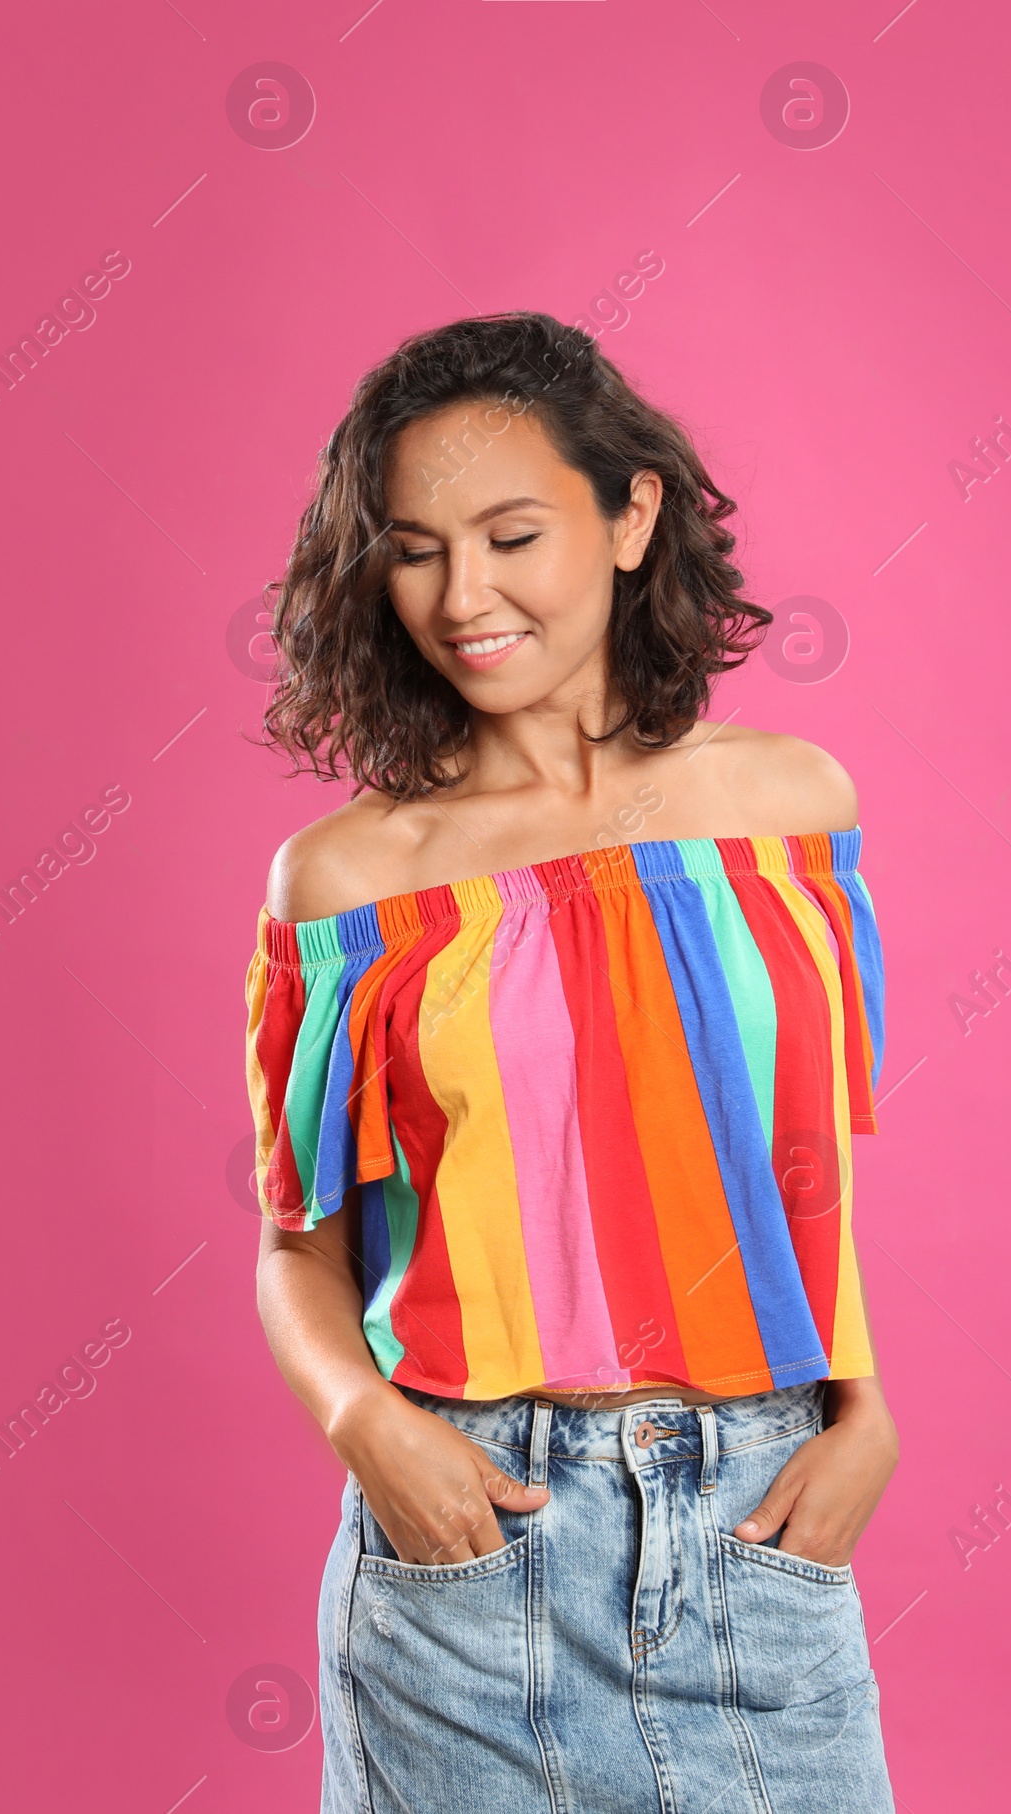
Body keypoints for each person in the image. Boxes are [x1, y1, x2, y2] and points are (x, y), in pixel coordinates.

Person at [245, 312, 899, 1812]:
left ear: (630, 514)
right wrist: (371, 1431)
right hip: (475, 1552)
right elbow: (296, 1245)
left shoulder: (788, 813)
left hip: (760, 1537)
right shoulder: (346, 884)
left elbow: (792, 1170)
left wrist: (864, 1409)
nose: (462, 595)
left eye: (511, 533)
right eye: (415, 548)